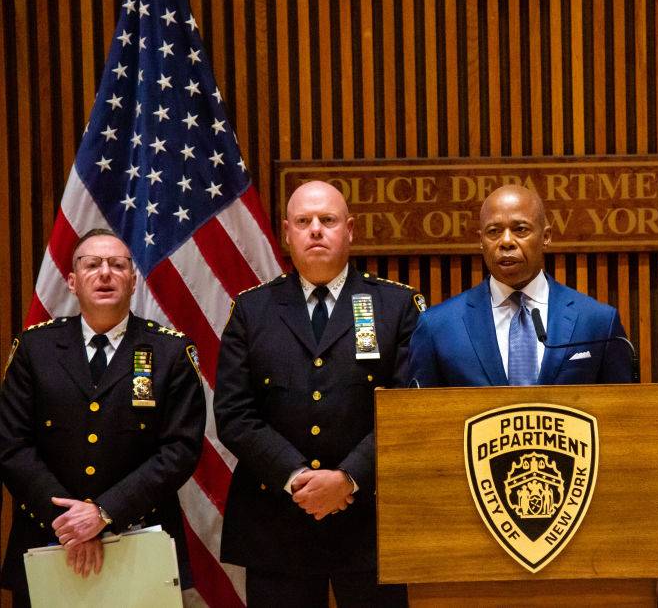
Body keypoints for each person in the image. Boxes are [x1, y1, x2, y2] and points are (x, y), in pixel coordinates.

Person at [214, 180, 423, 607]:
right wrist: (297, 478)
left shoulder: (396, 306)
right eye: (304, 221)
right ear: (286, 234)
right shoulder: (252, 311)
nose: (315, 230)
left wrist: (347, 479)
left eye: (327, 220)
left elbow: (407, 412)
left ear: (350, 230)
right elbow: (235, 414)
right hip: (277, 521)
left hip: (370, 523)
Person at [0, 229, 205, 606]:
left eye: (117, 265)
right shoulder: (35, 348)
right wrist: (70, 523)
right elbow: (11, 445)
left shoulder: (170, 352)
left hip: (141, 536)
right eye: (92, 264)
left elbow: (180, 449)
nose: (105, 273)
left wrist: (104, 513)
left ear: (133, 280)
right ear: (72, 281)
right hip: (48, 537)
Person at [408, 184, 632, 387]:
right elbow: (417, 420)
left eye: (520, 229)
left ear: (546, 237)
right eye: (493, 231)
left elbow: (623, 416)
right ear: (481, 241)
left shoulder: (598, 322)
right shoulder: (438, 327)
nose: (506, 241)